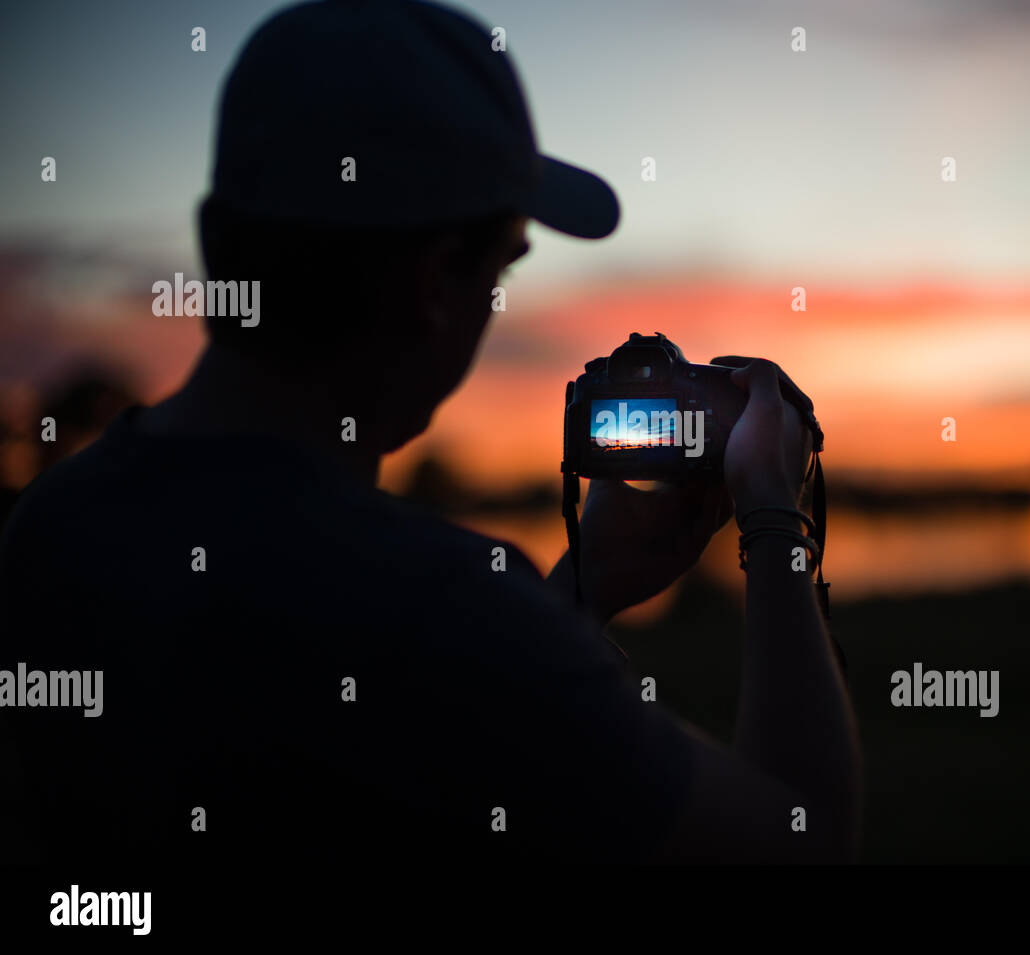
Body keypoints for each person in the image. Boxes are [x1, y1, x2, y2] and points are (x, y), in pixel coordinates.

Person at [0, 0, 861, 864]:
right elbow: (804, 839)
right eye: (501, 266)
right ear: (437, 281)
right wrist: (773, 524)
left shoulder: (51, 528)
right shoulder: (447, 618)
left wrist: (578, 591)